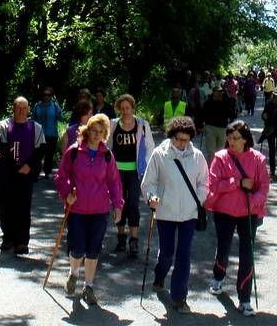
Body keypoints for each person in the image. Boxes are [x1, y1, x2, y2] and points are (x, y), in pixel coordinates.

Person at [141, 116, 208, 314]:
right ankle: (160, 273)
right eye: (178, 139)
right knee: (167, 252)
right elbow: (149, 182)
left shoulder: (197, 156)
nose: (181, 144)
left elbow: (205, 182)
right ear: (171, 136)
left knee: (183, 255)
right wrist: (152, 197)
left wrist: (199, 199)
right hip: (165, 212)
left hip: (189, 213)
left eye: (186, 140)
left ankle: (179, 297)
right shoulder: (159, 155)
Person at [54, 114, 123, 305]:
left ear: (105, 134)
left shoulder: (108, 156)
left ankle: (89, 286)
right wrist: (67, 192)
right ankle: (74, 273)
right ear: (88, 130)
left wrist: (118, 205)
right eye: (94, 130)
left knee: (93, 249)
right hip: (76, 208)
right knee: (77, 248)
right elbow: (61, 177)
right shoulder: (74, 152)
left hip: (100, 210)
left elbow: (115, 182)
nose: (97, 135)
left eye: (101, 132)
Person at [204, 120, 271, 317]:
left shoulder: (258, 159)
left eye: (236, 138)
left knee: (247, 254)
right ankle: (218, 277)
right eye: (229, 137)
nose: (231, 142)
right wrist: (236, 182)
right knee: (223, 246)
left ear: (245, 139)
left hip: (249, 212)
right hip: (224, 212)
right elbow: (213, 186)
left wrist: (256, 200)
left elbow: (264, 187)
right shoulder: (220, 158)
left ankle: (244, 299)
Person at [0, 96, 46, 255]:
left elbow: (41, 149)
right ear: (13, 109)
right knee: (6, 205)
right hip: (6, 173)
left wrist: (31, 166)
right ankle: (8, 238)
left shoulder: (36, 128)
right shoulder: (4, 125)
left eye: (24, 108)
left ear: (28, 109)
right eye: (18, 108)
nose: (21, 111)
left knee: (23, 207)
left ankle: (22, 242)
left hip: (25, 173)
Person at [107, 94, 155, 258]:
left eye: (128, 108)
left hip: (135, 172)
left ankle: (133, 240)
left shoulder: (142, 125)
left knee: (133, 204)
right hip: (116, 171)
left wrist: (146, 168)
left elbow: (150, 147)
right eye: (122, 108)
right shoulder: (113, 125)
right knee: (118, 204)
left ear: (133, 108)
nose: (125, 111)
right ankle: (121, 237)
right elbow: (107, 146)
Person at [32, 87, 63, 179]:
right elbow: (33, 119)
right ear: (42, 95)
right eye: (45, 94)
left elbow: (61, 118)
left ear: (51, 96)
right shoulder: (37, 106)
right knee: (38, 154)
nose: (46, 96)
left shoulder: (54, 106)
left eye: (49, 95)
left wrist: (58, 109)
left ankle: (47, 172)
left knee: (49, 154)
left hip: (52, 134)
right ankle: (35, 173)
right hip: (39, 134)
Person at [201, 86, 233, 165]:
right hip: (210, 128)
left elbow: (231, 114)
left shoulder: (226, 102)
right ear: (213, 92)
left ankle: (219, 166)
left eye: (221, 91)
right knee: (211, 151)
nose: (219, 93)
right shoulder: (208, 102)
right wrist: (200, 125)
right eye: (217, 91)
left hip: (222, 129)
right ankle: (212, 167)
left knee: (221, 150)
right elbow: (202, 114)